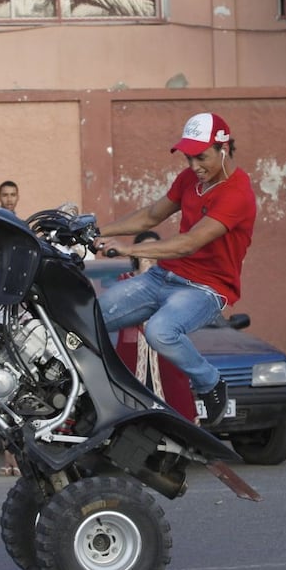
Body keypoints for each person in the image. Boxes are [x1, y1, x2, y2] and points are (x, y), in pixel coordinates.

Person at [95, 112, 256, 426]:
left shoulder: (238, 195)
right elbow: (151, 216)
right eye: (188, 158)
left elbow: (189, 243)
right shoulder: (189, 180)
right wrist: (104, 232)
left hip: (206, 289)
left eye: (202, 157)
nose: (195, 166)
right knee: (94, 316)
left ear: (224, 149)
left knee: (161, 332)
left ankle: (211, 383)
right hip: (163, 277)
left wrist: (130, 249)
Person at [113, 231, 197, 421]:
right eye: (145, 252)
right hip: (132, 353)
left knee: (174, 398)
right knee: (132, 403)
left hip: (166, 354)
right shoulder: (124, 281)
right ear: (136, 255)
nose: (150, 257)